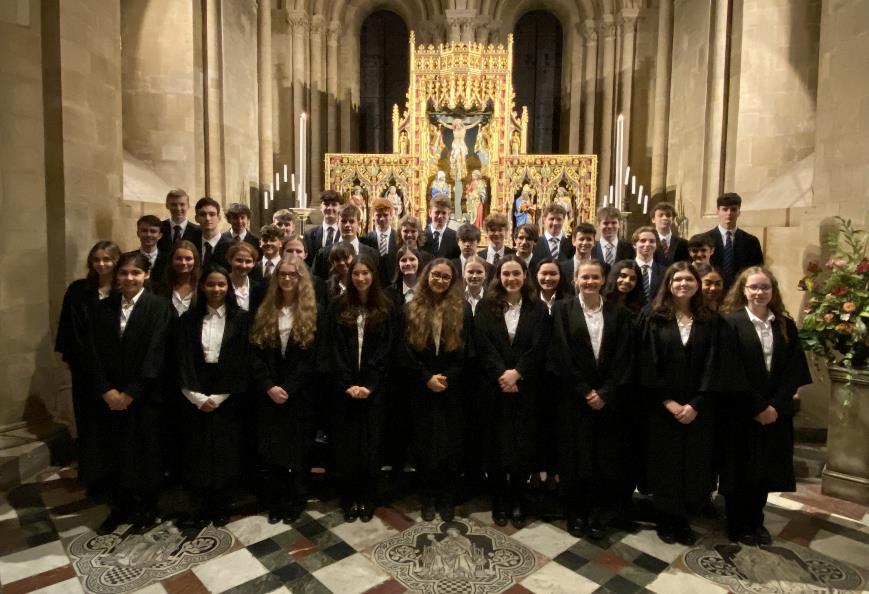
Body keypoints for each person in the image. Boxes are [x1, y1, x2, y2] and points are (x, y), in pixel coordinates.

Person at [719, 267, 811, 545]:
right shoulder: (730, 323)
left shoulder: (784, 324)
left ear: (773, 291)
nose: (759, 293)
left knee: (766, 468)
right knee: (739, 466)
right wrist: (757, 405)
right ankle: (735, 521)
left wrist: (776, 405)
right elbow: (730, 369)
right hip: (741, 411)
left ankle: (756, 521)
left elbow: (794, 370)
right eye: (753, 287)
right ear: (743, 290)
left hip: (775, 413)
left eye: (765, 287)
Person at [86, 252, 173, 533]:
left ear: (146, 275)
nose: (129, 278)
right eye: (124, 273)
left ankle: (147, 506)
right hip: (110, 396)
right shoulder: (104, 307)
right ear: (116, 276)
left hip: (144, 395)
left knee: (145, 451)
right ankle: (120, 505)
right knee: (114, 450)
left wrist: (132, 392)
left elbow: (156, 351)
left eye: (136, 273)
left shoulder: (158, 306)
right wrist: (107, 390)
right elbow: (93, 352)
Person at [637, 261, 721, 545]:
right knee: (665, 463)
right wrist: (668, 401)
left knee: (694, 463)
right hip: (662, 407)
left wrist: (697, 403)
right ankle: (666, 518)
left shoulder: (710, 319)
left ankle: (684, 518)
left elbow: (716, 364)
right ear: (668, 284)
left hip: (699, 408)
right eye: (677, 280)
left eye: (689, 280)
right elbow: (645, 362)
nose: (683, 285)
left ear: (697, 284)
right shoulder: (653, 316)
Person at [549, 260, 633, 539]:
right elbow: (560, 352)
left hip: (608, 401)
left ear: (603, 280)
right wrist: (585, 390)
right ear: (575, 280)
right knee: (574, 458)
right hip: (573, 398)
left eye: (594, 277)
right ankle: (575, 511)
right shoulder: (562, 310)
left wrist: (605, 392)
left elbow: (624, 356)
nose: (589, 282)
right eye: (584, 277)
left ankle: (597, 512)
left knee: (602, 458)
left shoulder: (618, 313)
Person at [474, 255, 550, 528]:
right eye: (506, 274)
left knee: (522, 445)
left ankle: (518, 499)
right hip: (493, 388)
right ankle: (499, 499)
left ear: (524, 275)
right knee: (495, 444)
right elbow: (482, 344)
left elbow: (540, 346)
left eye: (516, 273)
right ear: (499, 277)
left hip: (526, 388)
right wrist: (501, 374)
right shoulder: (485, 306)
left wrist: (517, 373)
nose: (511, 279)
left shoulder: (538, 308)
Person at [322, 256, 396, 522]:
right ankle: (349, 497)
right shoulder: (337, 306)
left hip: (374, 391)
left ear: (373, 276)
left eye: (365, 273)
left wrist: (370, 385)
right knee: (347, 445)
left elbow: (386, 351)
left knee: (371, 445)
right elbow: (334, 349)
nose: (361, 278)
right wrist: (347, 384)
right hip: (344, 389)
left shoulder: (386, 307)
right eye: (356, 274)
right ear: (349, 277)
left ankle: (368, 496)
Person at [176, 265, 250, 527]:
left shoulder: (241, 319)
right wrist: (195, 395)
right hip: (196, 389)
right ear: (202, 287)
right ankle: (200, 502)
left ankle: (222, 503)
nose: (216, 289)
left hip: (228, 393)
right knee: (197, 449)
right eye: (211, 284)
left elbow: (242, 360)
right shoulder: (188, 319)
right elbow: (182, 358)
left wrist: (220, 396)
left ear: (228, 288)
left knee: (225, 449)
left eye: (221, 284)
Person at [250, 256, 322, 524]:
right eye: (282, 275)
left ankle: (297, 497)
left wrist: (288, 388)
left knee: (300, 448)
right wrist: (269, 385)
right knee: (273, 447)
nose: (287, 279)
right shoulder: (265, 309)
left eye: (293, 275)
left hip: (299, 393)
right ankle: (276, 499)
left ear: (301, 278)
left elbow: (312, 357)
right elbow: (255, 352)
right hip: (269, 392)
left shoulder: (314, 311)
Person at [401, 259, 472, 521]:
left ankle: (447, 497)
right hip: (421, 387)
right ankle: (427, 496)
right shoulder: (411, 308)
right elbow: (405, 350)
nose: (440, 280)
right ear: (426, 276)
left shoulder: (462, 308)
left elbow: (466, 350)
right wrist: (426, 377)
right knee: (423, 443)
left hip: (451, 388)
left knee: (449, 445)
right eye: (436, 275)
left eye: (445, 277)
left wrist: (447, 378)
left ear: (452, 281)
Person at [56, 241, 122, 497]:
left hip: (116, 372)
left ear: (116, 261)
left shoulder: (122, 291)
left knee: (114, 427)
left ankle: (116, 478)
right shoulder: (79, 290)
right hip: (86, 370)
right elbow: (69, 331)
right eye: (97, 259)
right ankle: (94, 479)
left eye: (107, 259)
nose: (102, 264)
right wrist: (83, 362)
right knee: (89, 426)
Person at [705, 192, 764, 289]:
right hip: (712, 292)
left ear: (739, 212)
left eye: (733, 209)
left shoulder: (751, 241)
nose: (729, 213)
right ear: (717, 211)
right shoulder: (705, 239)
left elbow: (757, 270)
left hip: (741, 292)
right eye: (725, 209)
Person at [312, 204, 380, 279]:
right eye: (344, 221)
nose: (347, 225)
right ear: (337, 222)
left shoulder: (373, 255)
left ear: (359, 224)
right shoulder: (323, 254)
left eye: (351, 221)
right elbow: (316, 283)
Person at [281, 234, 328, 309]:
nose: (294, 255)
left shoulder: (318, 283)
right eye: (289, 251)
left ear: (305, 255)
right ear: (282, 253)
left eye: (299, 251)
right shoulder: (271, 280)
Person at [154, 240, 200, 315]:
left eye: (188, 259)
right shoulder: (160, 288)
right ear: (171, 260)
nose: (183, 262)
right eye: (178, 258)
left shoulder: (202, 287)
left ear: (195, 261)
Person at [126, 215, 168, 288]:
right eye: (144, 231)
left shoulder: (169, 259)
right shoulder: (128, 258)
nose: (148, 235)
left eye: (153, 231)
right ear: (138, 233)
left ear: (160, 235)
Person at [365, 198, 398, 286]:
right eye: (378, 215)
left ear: (391, 216)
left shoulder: (399, 238)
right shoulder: (366, 240)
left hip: (394, 286)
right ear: (373, 216)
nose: (382, 219)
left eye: (385, 215)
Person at [303, 190, 341, 267]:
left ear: (339, 207)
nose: (330, 208)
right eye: (326, 204)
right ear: (321, 207)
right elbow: (307, 262)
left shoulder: (344, 234)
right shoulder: (309, 235)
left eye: (334, 205)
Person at [561, 223, 601, 294]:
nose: (585, 243)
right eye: (581, 239)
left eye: (589, 239)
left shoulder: (602, 267)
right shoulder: (562, 268)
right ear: (574, 241)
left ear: (594, 242)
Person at [195, 197, 232, 269]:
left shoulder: (232, 246)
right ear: (196, 218)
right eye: (203, 214)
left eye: (212, 214)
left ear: (219, 217)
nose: (207, 218)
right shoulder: (192, 244)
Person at [633, 226, 665, 306]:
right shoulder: (625, 268)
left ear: (656, 245)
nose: (647, 244)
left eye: (652, 241)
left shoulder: (665, 272)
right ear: (634, 244)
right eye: (643, 241)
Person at [226, 241, 260, 312]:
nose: (243, 266)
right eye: (239, 260)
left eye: (248, 261)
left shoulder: (258, 288)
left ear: (254, 263)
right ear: (230, 260)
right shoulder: (222, 285)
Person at [651, 202, 688, 266]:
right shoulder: (648, 242)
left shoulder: (683, 243)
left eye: (668, 215)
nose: (665, 218)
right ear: (653, 219)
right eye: (660, 215)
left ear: (673, 219)